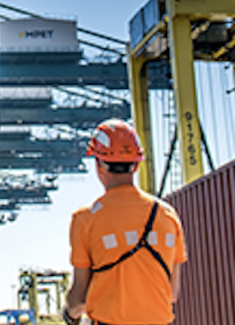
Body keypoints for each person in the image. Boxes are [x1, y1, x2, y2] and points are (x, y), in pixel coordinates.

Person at [64, 119, 186, 325]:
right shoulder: (167, 215)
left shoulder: (86, 219)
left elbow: (79, 299)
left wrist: (69, 313)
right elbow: (172, 293)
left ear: (98, 165)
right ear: (136, 165)